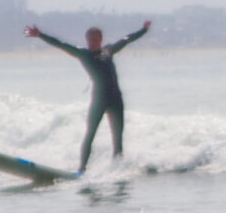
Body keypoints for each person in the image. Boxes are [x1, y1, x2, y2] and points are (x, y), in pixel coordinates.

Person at [26, 19, 151, 171]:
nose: (93, 41)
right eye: (90, 39)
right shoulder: (83, 54)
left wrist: (144, 30)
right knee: (90, 135)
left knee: (118, 139)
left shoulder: (108, 51)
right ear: (87, 39)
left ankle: (118, 170)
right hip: (99, 100)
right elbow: (61, 44)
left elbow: (127, 39)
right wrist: (40, 35)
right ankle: (82, 170)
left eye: (96, 39)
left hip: (116, 100)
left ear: (101, 39)